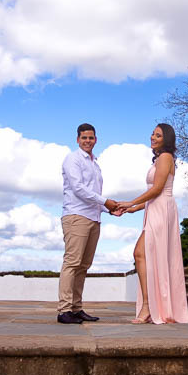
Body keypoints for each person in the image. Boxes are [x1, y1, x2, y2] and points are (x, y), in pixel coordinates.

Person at [115, 123, 188, 324]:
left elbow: (157, 190)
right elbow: (153, 195)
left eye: (158, 135)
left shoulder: (165, 158)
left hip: (162, 210)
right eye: (152, 134)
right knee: (146, 255)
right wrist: (134, 209)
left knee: (140, 253)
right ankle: (151, 305)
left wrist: (131, 201)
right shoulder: (159, 159)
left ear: (166, 139)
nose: (153, 137)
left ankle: (149, 306)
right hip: (154, 209)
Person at [58, 123, 121, 325]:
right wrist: (106, 202)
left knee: (84, 266)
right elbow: (78, 189)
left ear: (96, 139)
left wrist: (109, 209)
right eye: (84, 138)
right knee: (72, 263)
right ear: (77, 139)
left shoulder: (95, 163)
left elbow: (94, 196)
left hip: (93, 218)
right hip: (76, 216)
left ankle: (76, 308)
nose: (87, 141)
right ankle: (64, 310)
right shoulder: (72, 159)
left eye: (91, 138)